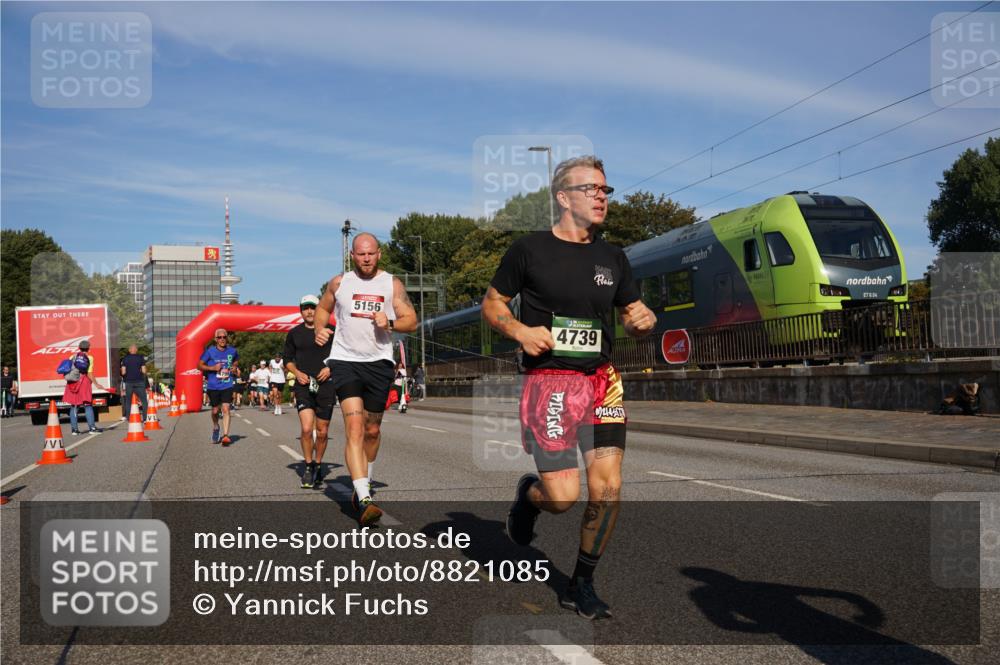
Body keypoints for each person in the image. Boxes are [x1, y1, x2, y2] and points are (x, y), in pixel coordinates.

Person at [482, 156, 656, 620]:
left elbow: (631, 314)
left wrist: (643, 320)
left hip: (602, 382)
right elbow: (493, 304)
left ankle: (582, 582)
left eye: (605, 190)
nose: (601, 196)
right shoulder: (529, 250)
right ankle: (530, 496)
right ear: (563, 197)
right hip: (551, 384)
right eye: (590, 189)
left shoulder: (613, 257)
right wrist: (520, 331)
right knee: (562, 497)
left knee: (609, 486)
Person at [315, 232, 418, 526]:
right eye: (361, 254)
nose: (366, 259)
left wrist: (392, 322)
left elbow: (412, 320)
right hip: (345, 361)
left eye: (371, 253)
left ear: (379, 253)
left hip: (379, 363)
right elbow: (322, 309)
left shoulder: (391, 284)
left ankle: (366, 480)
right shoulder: (339, 283)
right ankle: (363, 498)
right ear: (352, 256)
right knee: (355, 427)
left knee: (372, 430)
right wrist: (319, 329)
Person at [285, 294, 337, 489]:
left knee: (322, 432)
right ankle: (308, 466)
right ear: (301, 311)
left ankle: (319, 464)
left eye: (312, 307)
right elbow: (287, 359)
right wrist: (297, 372)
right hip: (304, 385)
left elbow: (343, 355)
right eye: (305, 308)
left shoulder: (331, 331)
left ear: (319, 309)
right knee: (307, 429)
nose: (309, 311)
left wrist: (330, 368)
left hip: (326, 385)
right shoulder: (294, 333)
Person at [197, 328, 239, 445]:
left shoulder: (232, 351)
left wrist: (234, 367)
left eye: (224, 337)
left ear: (227, 338)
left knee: (226, 408)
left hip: (227, 384)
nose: (222, 339)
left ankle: (225, 435)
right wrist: (212, 368)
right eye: (219, 337)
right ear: (216, 339)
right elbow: (199, 365)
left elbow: (236, 360)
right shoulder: (210, 351)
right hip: (213, 385)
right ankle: (216, 427)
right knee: (215, 411)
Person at [62, 340, 109, 435]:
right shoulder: (89, 358)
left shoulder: (72, 357)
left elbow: (68, 370)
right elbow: (89, 373)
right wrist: (96, 384)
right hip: (84, 382)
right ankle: (92, 428)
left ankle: (74, 430)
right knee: (87, 405)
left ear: (79, 348)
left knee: (74, 405)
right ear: (88, 348)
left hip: (73, 383)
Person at [119, 344, 148, 422]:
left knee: (128, 401)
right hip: (139, 381)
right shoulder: (141, 358)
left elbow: (123, 372)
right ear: (136, 350)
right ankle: (145, 418)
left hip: (129, 382)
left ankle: (129, 418)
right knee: (144, 401)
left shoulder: (125, 359)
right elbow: (144, 371)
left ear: (129, 350)